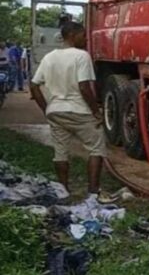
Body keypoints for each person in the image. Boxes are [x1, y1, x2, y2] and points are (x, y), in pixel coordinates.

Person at [29, 21, 107, 197]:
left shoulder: (49, 57)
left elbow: (34, 86)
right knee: (96, 148)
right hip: (79, 110)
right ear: (72, 35)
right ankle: (93, 191)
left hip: (56, 111)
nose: (86, 39)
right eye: (83, 35)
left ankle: (63, 190)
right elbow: (84, 87)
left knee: (60, 152)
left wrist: (46, 109)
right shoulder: (81, 56)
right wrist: (96, 111)